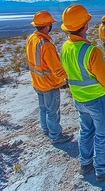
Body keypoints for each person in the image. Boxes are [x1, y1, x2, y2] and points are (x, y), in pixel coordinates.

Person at [60, 4, 105, 180]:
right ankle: (102, 169)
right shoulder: (91, 51)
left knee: (86, 130)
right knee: (104, 133)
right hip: (97, 99)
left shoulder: (65, 47)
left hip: (78, 98)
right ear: (85, 26)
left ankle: (85, 162)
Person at [25, 11, 73, 144]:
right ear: (46, 26)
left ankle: (46, 129)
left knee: (43, 108)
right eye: (50, 24)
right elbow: (56, 67)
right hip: (49, 83)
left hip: (36, 82)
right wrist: (66, 79)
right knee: (53, 111)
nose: (51, 26)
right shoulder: (45, 44)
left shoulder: (31, 38)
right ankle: (55, 136)